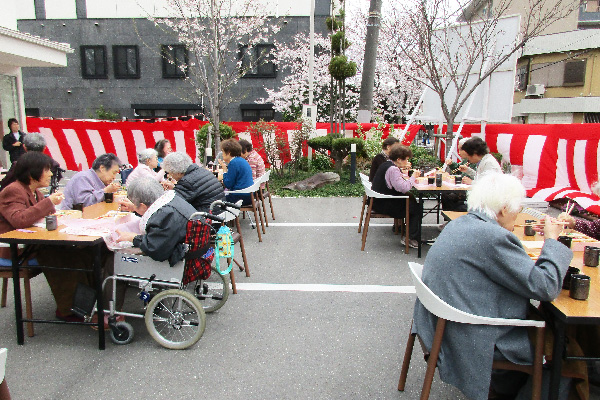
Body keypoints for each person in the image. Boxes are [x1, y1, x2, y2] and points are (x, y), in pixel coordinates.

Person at [411, 173, 572, 400]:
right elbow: (546, 286)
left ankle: (507, 386)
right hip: (472, 334)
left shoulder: (460, 224)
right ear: (504, 209)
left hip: (439, 326)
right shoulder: (493, 237)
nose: (517, 215)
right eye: (517, 210)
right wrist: (552, 241)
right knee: (566, 353)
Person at [116, 177, 196, 266]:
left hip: (178, 262)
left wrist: (133, 238)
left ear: (142, 206)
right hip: (188, 253)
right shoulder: (171, 200)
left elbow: (155, 249)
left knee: (115, 258)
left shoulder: (165, 215)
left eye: (135, 205)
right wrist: (134, 207)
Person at [0, 152, 64, 261]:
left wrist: (53, 205)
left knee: (79, 253)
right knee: (68, 258)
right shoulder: (13, 190)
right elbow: (19, 220)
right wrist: (49, 202)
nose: (51, 174)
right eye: (47, 170)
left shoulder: (36, 192)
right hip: (18, 250)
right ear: (31, 174)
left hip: (35, 245)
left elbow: (46, 215)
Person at [371, 144, 422, 249]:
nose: (407, 161)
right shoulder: (393, 169)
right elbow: (403, 188)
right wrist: (413, 177)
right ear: (398, 159)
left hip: (378, 201)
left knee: (411, 198)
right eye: (405, 159)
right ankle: (410, 238)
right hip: (384, 204)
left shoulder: (386, 164)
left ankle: (407, 231)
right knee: (417, 209)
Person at [159, 151, 225, 213]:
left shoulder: (186, 182)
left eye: (170, 173)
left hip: (206, 215)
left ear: (177, 172)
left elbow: (175, 202)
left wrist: (169, 192)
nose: (169, 176)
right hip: (220, 211)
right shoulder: (202, 171)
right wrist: (175, 188)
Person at [440, 137, 477, 212]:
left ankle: (452, 214)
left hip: (471, 192)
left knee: (449, 197)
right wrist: (451, 164)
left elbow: (482, 178)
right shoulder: (466, 161)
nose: (459, 152)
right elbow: (459, 169)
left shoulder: (477, 162)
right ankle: (449, 215)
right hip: (464, 189)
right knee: (445, 194)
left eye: (461, 149)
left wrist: (472, 182)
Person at [218, 139, 253, 206]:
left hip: (239, 197)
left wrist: (225, 171)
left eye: (223, 152)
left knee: (215, 200)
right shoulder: (241, 160)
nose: (222, 154)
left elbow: (228, 184)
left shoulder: (233, 163)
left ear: (229, 153)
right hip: (248, 195)